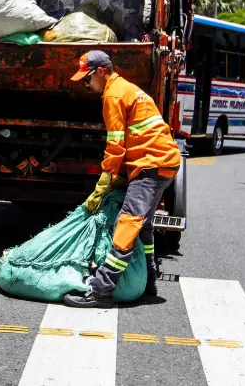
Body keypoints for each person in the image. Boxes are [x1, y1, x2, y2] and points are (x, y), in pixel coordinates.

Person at [63, 51, 181, 308]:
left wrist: (105, 180)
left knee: (126, 223)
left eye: (88, 78)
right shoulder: (127, 89)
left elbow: (115, 145)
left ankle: (102, 289)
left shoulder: (113, 96)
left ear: (101, 72)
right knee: (144, 224)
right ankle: (149, 280)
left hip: (151, 164)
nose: (86, 85)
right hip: (165, 163)